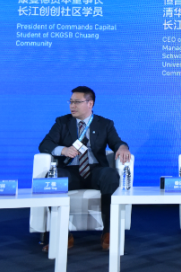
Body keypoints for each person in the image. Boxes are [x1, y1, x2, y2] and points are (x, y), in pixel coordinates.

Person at [38, 86, 131, 251]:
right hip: (70, 170)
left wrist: (123, 147)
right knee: (52, 179)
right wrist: (63, 150)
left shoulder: (105, 124)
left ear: (90, 103)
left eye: (77, 102)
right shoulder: (62, 122)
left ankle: (108, 232)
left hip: (95, 171)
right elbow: (45, 144)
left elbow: (116, 142)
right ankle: (63, 234)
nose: (72, 106)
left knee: (111, 175)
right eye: (70, 102)